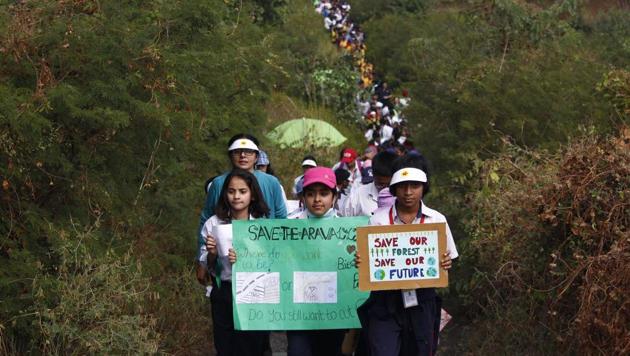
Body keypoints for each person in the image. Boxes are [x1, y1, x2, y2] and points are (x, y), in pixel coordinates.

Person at [355, 154, 458, 356]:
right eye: (402, 186)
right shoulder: (378, 220)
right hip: (385, 302)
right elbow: (369, 259)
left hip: (422, 301)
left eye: (414, 186)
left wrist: (445, 261)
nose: (408, 192)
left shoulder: (436, 220)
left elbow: (450, 256)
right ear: (393, 188)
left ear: (424, 188)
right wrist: (362, 260)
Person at [197, 134, 287, 283]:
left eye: (248, 152)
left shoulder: (271, 182)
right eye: (237, 151)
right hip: (224, 265)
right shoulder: (218, 183)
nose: (243, 155)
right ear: (230, 156)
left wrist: (280, 255)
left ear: (257, 156)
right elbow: (206, 219)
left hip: (264, 258)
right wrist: (201, 261)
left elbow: (282, 218)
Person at [201, 169, 271, 356]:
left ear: (253, 194)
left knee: (251, 345)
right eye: (231, 191)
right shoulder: (213, 224)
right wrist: (213, 253)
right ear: (225, 194)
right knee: (225, 345)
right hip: (224, 291)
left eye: (242, 191)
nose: (236, 196)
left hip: (254, 293)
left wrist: (247, 260)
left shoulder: (263, 226)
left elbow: (272, 263)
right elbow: (208, 266)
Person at [287, 167, 345, 356]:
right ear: (302, 198)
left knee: (330, 350)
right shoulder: (289, 226)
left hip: (334, 309)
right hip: (298, 310)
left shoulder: (347, 228)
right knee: (297, 351)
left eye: (324, 193)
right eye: (311, 194)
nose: (317, 199)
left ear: (334, 197)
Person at [340, 151, 397, 217]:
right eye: (381, 185)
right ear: (374, 176)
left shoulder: (405, 196)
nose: (386, 189)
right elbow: (342, 221)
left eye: (390, 185)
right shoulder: (357, 196)